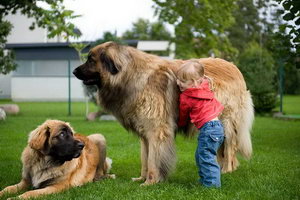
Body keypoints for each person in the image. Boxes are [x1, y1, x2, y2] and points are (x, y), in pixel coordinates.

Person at [176, 59, 224, 188]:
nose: (178, 83)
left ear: (194, 82)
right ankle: (206, 179)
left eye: (183, 81)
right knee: (202, 156)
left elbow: (183, 113)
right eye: (178, 79)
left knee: (206, 157)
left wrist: (180, 124)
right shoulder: (205, 86)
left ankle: (212, 185)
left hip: (208, 130)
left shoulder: (186, 96)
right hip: (217, 128)